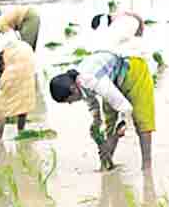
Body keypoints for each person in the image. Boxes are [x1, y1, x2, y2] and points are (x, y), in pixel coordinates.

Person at [48, 30, 156, 171]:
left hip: (133, 70)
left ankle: (147, 167)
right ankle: (107, 163)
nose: (70, 103)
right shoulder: (80, 82)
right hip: (113, 78)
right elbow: (92, 104)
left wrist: (115, 136)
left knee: (142, 118)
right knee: (109, 121)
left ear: (73, 89)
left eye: (68, 100)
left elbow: (125, 108)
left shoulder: (92, 80)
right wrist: (96, 124)